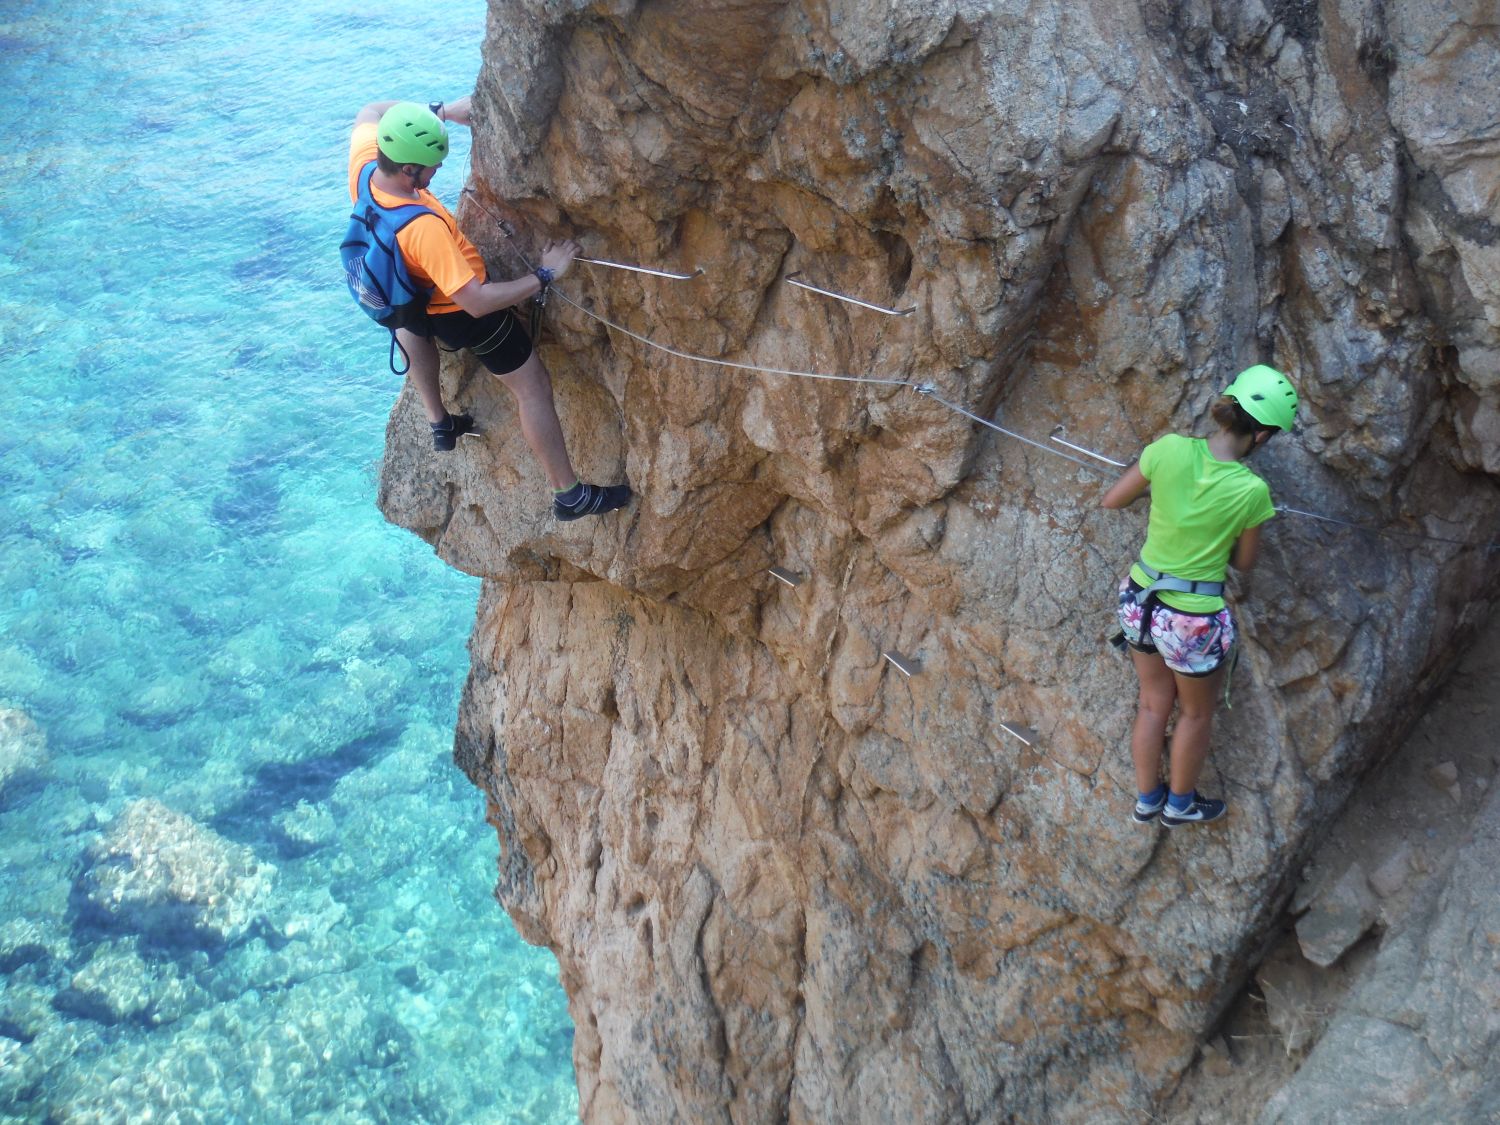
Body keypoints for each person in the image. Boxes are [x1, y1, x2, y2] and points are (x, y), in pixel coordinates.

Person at [348, 99, 632, 521]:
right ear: (409, 170)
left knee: (407, 321)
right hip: (464, 317)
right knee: (532, 386)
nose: (437, 172)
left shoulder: (366, 166)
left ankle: (439, 421)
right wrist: (545, 274)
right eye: (431, 166)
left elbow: (369, 110)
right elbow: (476, 301)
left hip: (409, 298)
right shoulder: (422, 228)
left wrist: (440, 113)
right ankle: (569, 495)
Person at [1100, 365, 1299, 828]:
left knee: (1153, 703)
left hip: (1139, 600)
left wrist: (1163, 489)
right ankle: (1180, 804)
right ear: (1264, 435)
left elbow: (1113, 500)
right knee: (1194, 713)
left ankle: (1148, 799)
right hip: (1190, 620)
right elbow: (1243, 563)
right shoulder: (1252, 492)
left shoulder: (1167, 449)